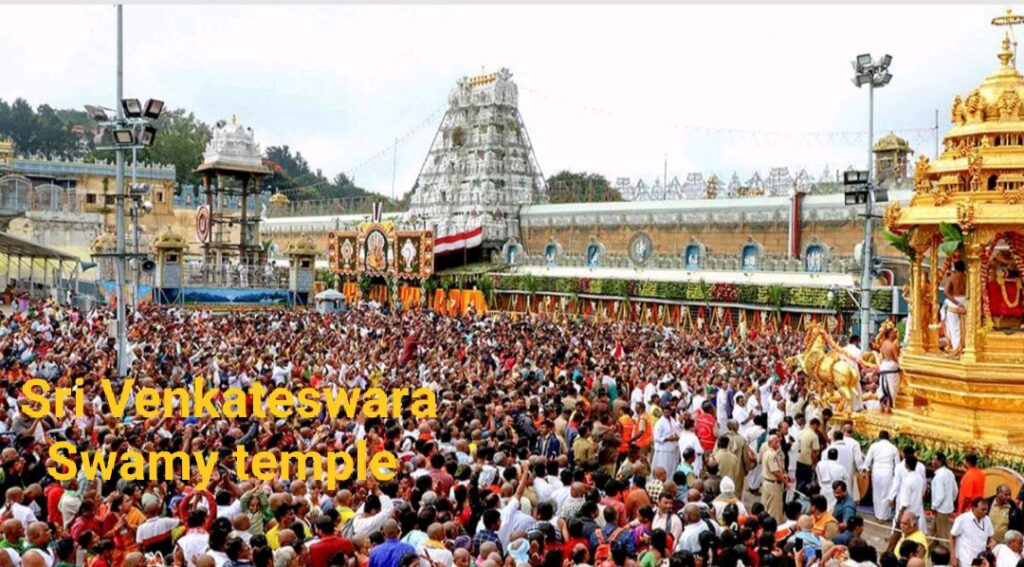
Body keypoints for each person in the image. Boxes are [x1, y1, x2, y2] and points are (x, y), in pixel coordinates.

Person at [863, 430, 899, 522]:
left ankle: (878, 514)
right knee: (886, 493)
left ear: (879, 437)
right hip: (887, 472)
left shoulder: (874, 446)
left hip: (876, 472)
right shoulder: (893, 448)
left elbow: (867, 460)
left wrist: (865, 469)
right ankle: (883, 516)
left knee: (877, 493)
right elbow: (897, 464)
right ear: (888, 437)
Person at [950, 498, 994, 567]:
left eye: (986, 509)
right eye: (982, 509)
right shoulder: (962, 519)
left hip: (980, 560)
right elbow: (952, 536)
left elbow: (989, 538)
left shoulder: (987, 520)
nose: (985, 512)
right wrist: (953, 556)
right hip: (965, 559)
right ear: (973, 508)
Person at [932, 452, 959, 541]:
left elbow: (940, 496)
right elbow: (955, 490)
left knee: (943, 535)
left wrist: (934, 506)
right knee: (933, 533)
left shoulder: (939, 477)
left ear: (940, 462)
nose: (932, 462)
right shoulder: (949, 473)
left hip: (941, 510)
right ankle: (926, 551)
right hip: (945, 508)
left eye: (934, 460)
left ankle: (947, 552)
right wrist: (950, 501)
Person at [943, 260, 967, 356]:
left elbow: (946, 292)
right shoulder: (967, 277)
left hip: (954, 304)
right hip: (965, 302)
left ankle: (957, 349)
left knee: (955, 328)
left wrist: (956, 302)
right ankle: (963, 347)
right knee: (964, 328)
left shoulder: (952, 277)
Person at [878, 328, 901, 413]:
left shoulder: (883, 344)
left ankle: (882, 407)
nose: (895, 334)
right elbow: (896, 359)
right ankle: (888, 407)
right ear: (889, 334)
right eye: (893, 333)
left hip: (884, 367)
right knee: (891, 388)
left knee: (883, 387)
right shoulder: (892, 345)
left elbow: (883, 356)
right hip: (891, 368)